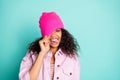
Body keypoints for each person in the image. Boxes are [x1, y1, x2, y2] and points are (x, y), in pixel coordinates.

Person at [19, 12, 80, 80]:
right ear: (44, 35)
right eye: (49, 31)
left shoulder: (72, 57)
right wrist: (42, 54)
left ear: (62, 32)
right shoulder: (32, 55)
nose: (54, 35)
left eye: (57, 30)